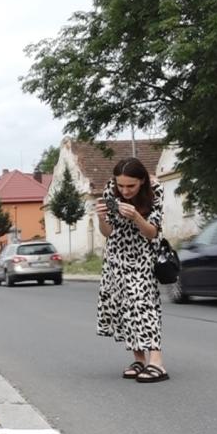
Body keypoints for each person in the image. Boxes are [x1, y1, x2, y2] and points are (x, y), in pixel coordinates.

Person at [95, 158, 167, 383]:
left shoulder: (155, 190)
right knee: (125, 306)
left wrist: (136, 216)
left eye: (131, 186)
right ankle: (139, 359)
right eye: (121, 185)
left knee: (144, 304)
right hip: (116, 256)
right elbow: (107, 232)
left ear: (142, 181)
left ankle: (157, 362)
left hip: (143, 255)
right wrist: (100, 216)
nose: (124, 190)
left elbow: (152, 232)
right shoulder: (111, 189)